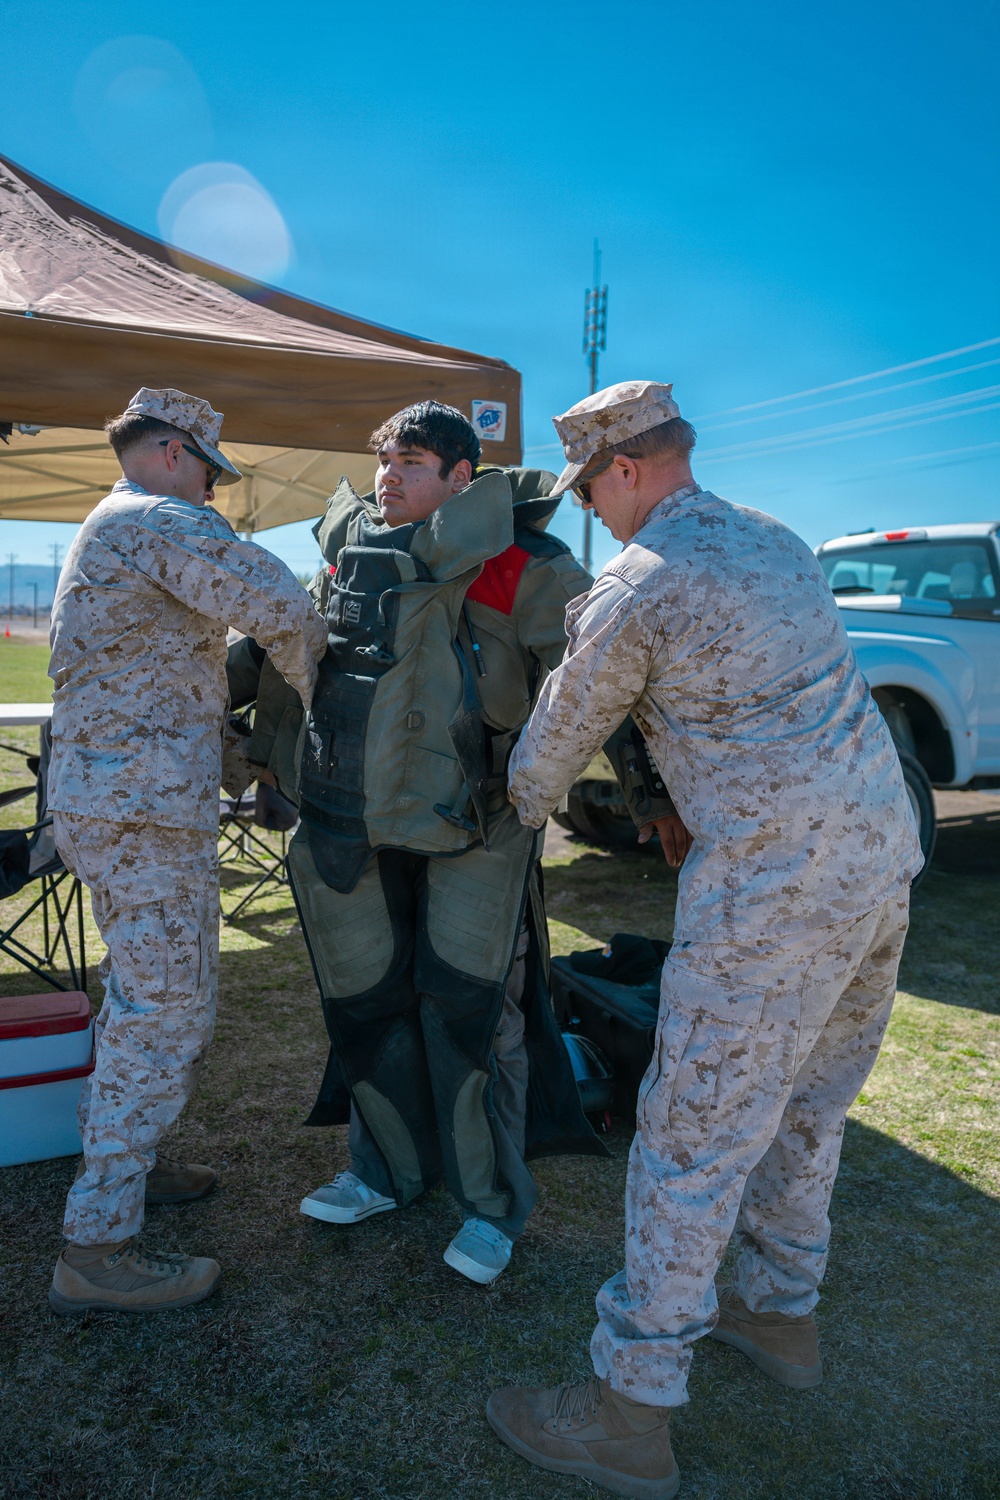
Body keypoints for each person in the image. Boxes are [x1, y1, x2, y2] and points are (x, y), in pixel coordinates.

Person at [486, 381, 923, 1497]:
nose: (595, 513)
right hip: (878, 867)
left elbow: (548, 753)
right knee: (809, 1110)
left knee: (689, 1139)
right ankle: (779, 1316)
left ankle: (629, 1410)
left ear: (622, 469)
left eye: (591, 492)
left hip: (772, 894)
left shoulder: (639, 584)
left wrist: (510, 802)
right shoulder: (772, 538)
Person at [228, 400, 674, 1285]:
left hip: (479, 824)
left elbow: (598, 681)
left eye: (414, 460)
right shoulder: (343, 556)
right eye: (384, 459)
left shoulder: (524, 565)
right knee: (366, 1006)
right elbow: (299, 658)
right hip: (351, 818)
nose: (390, 474)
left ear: (463, 477)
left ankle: (490, 1210)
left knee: (473, 1016)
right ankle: (382, 1171)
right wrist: (257, 757)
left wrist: (650, 793)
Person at [47, 387, 327, 1317]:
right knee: (160, 1014)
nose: (214, 492)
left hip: (128, 805)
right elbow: (276, 598)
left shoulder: (117, 524)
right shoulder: (155, 519)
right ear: (174, 451)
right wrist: (328, 673)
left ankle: (122, 1160)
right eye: (210, 472)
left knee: (147, 998)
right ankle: (97, 1244)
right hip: (141, 815)